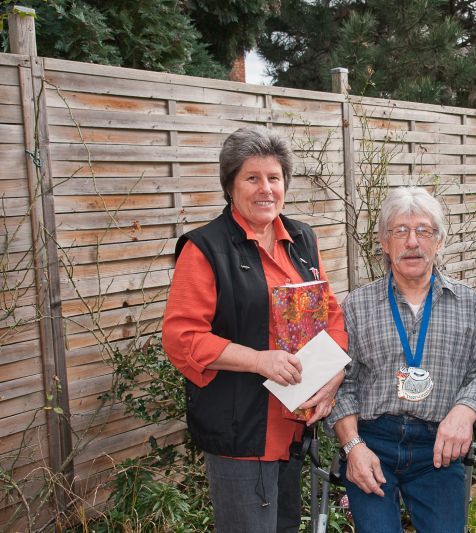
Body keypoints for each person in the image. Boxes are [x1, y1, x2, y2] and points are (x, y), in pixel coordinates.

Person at [162, 126, 348, 533]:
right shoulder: (205, 249)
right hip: (242, 432)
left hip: (294, 425)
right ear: (230, 185)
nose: (266, 189)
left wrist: (334, 377)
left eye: (274, 178)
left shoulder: (301, 238)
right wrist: (259, 361)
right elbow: (182, 338)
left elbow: (331, 314)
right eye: (252, 178)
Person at [327, 187, 476, 533]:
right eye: (401, 231)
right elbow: (341, 383)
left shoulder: (468, 305)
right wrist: (353, 446)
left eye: (424, 231)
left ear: (439, 242)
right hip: (372, 443)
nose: (412, 242)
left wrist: (465, 410)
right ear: (384, 241)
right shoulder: (356, 307)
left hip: (438, 447)